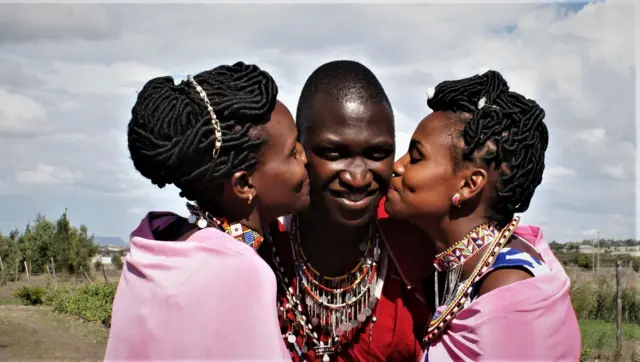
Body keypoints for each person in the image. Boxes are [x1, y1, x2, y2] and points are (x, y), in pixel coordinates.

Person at [104, 61, 310, 361]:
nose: (305, 157)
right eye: (293, 152)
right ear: (243, 184)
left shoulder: (157, 244)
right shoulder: (243, 273)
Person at [384, 70, 581, 361]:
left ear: (468, 185)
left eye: (416, 157)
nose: (397, 167)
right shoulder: (465, 266)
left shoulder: (510, 292)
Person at [265, 60, 429, 362]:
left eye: (377, 154)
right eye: (333, 153)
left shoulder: (414, 243)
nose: (358, 177)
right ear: (299, 150)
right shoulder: (262, 243)